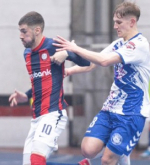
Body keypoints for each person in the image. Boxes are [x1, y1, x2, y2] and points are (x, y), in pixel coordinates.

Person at [52, 2, 150, 164]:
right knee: (87, 150)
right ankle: (120, 151)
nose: (114, 26)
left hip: (131, 112)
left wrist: (74, 48)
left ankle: (119, 152)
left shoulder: (139, 45)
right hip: (110, 109)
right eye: (114, 22)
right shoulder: (119, 44)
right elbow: (93, 63)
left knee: (107, 160)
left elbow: (104, 61)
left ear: (132, 22)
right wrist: (69, 71)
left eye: (119, 22)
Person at [8, 11, 90, 165]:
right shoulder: (26, 53)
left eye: (24, 31)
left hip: (53, 114)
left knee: (37, 159)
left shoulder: (53, 46)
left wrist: (66, 53)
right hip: (36, 117)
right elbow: (40, 81)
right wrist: (26, 96)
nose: (20, 35)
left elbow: (87, 63)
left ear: (37, 30)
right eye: (20, 31)